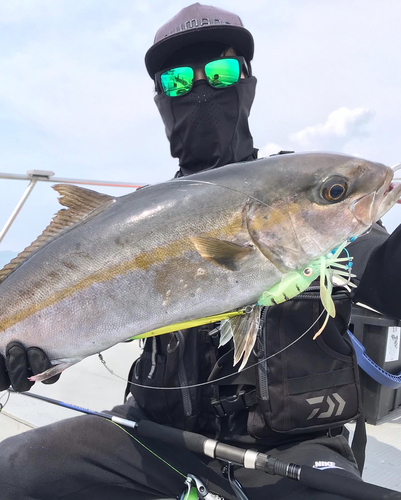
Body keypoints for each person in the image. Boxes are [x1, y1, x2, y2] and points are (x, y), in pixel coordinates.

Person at [0, 3, 400, 499]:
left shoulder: (320, 213)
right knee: (11, 472)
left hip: (291, 447)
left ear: (247, 82)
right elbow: (88, 308)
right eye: (177, 82)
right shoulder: (138, 216)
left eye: (221, 71)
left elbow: (387, 277)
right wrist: (33, 358)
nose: (200, 89)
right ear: (159, 99)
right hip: (153, 436)